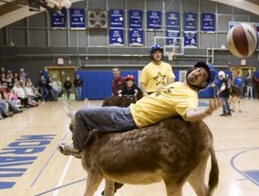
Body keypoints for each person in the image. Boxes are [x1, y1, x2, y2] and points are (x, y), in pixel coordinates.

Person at [59, 61, 220, 157]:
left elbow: (190, 114)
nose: (197, 74)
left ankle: (77, 149)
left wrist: (206, 112)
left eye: (202, 76)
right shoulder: (178, 84)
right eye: (198, 70)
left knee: (81, 114)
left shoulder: (190, 96)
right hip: (130, 110)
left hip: (130, 118)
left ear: (204, 85)